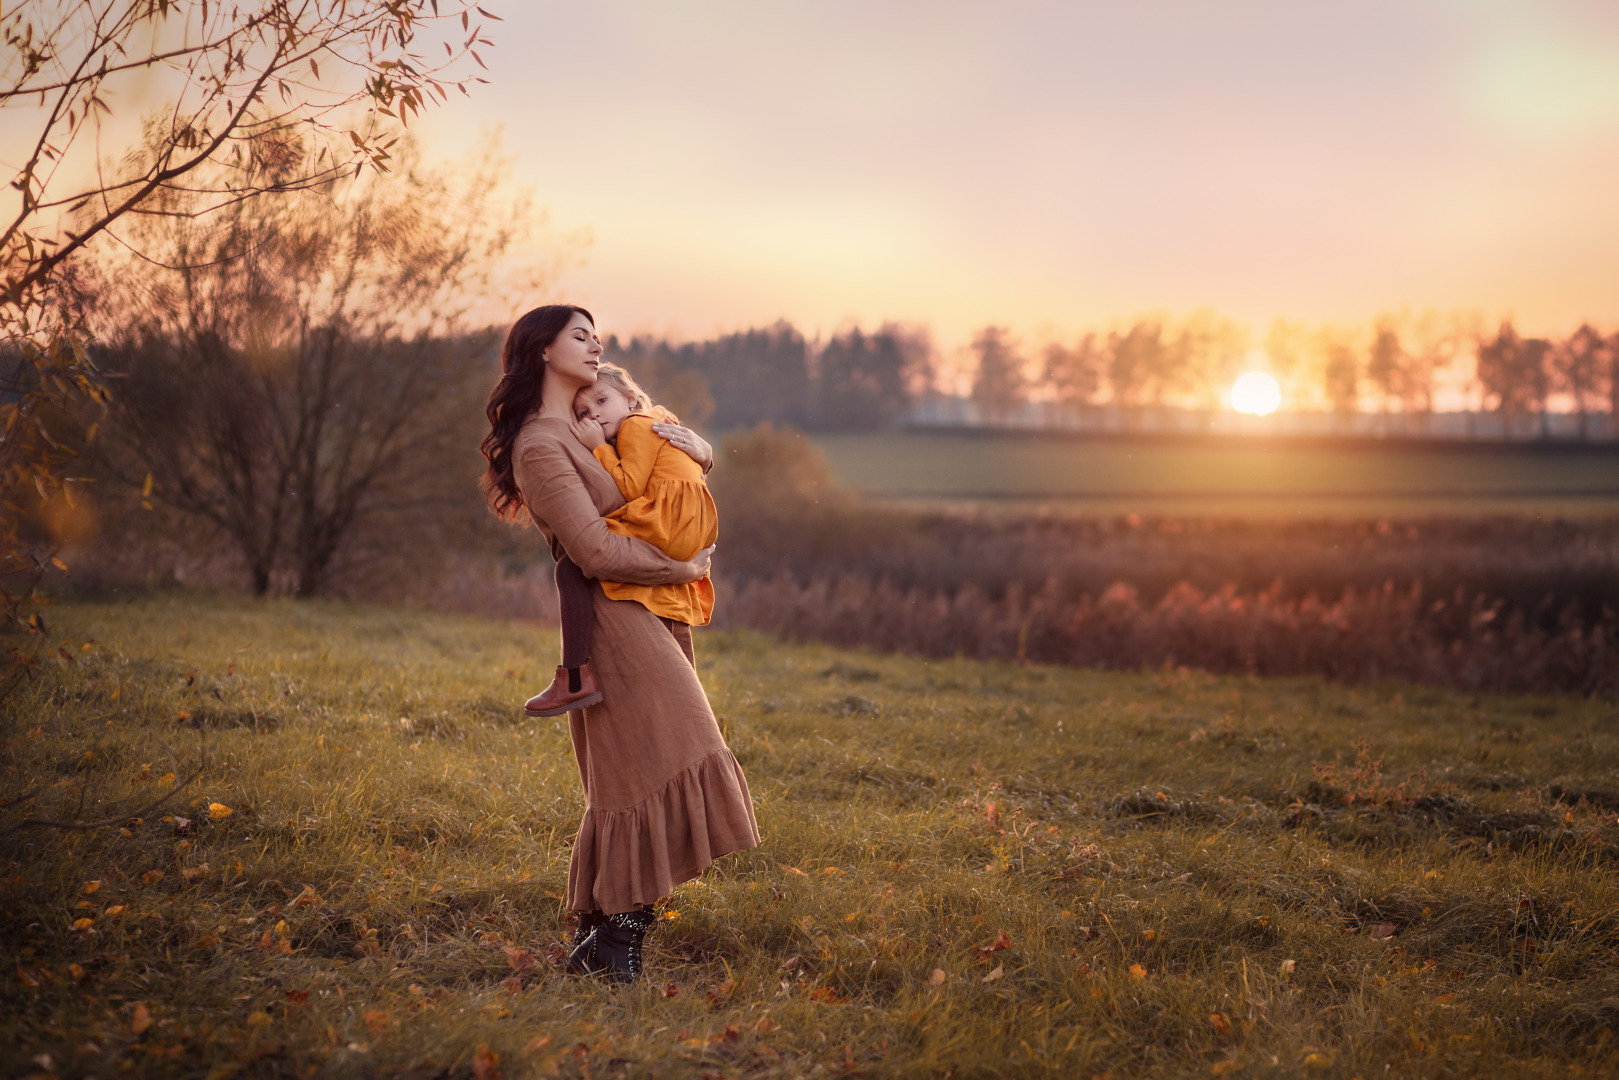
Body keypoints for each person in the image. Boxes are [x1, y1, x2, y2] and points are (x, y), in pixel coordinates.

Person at [479, 305, 760, 983]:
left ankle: (597, 939)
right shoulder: (541, 444)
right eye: (579, 333)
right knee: (673, 758)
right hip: (609, 618)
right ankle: (615, 935)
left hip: (645, 610)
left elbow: (652, 482)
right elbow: (593, 547)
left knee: (634, 775)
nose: (596, 342)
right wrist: (683, 570)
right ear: (541, 350)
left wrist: (701, 450)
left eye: (596, 333)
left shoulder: (584, 427)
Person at [523, 362, 718, 717]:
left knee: (573, 564)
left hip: (668, 523)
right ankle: (576, 677)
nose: (595, 413)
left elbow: (628, 487)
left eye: (602, 400)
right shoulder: (654, 424)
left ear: (631, 399)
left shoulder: (634, 427)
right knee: (584, 559)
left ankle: (573, 677)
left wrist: (598, 447)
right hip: (687, 522)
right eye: (585, 411)